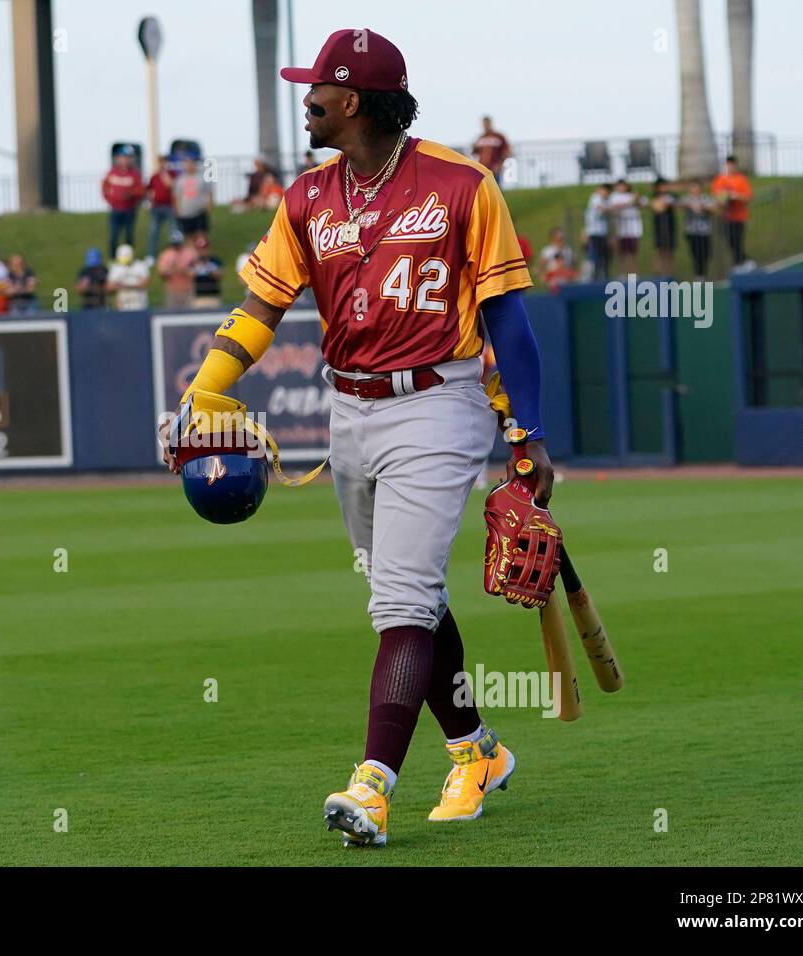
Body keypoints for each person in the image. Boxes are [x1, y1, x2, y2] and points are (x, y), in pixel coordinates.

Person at [161, 28, 550, 846]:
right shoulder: (306, 196)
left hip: (439, 401)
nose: (305, 100)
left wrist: (527, 434)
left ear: (356, 102)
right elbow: (260, 307)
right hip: (352, 410)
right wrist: (204, 390)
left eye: (317, 91)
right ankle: (478, 750)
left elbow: (509, 319)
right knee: (408, 591)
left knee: (399, 600)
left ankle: (371, 789)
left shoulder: (460, 184)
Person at [712, 154, 754, 272]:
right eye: (728, 165)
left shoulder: (741, 179)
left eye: (732, 165)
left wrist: (735, 195)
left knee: (737, 241)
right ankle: (744, 262)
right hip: (725, 217)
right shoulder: (720, 180)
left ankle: (740, 264)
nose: (730, 167)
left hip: (739, 216)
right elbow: (717, 197)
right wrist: (724, 197)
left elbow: (747, 197)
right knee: (731, 242)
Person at [102, 148, 144, 256]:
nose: (125, 160)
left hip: (129, 210)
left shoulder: (134, 174)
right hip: (115, 209)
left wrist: (131, 195)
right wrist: (109, 199)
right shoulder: (112, 173)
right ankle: (112, 256)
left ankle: (129, 257)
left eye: (127, 158)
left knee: (128, 235)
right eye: (122, 157)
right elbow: (105, 187)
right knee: (114, 235)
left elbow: (140, 190)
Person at [606, 179, 645, 276]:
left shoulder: (632, 195)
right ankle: (623, 274)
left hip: (633, 230)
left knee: (633, 254)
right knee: (622, 254)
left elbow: (643, 203)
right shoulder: (614, 196)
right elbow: (614, 207)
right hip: (622, 231)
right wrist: (631, 202)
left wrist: (636, 199)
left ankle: (634, 274)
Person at [173, 155, 214, 241]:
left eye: (190, 163)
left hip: (200, 212)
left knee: (202, 237)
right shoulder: (180, 179)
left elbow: (209, 191)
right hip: (185, 213)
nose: (188, 166)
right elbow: (176, 195)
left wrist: (209, 204)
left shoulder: (202, 177)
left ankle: (203, 253)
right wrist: (177, 209)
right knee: (189, 237)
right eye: (186, 163)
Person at [681, 180, 715, 280]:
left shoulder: (705, 198)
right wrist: (691, 206)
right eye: (692, 188)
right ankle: (699, 275)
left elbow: (714, 209)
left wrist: (703, 207)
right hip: (692, 231)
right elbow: (679, 204)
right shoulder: (687, 199)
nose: (694, 190)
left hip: (704, 231)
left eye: (696, 187)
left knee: (706, 253)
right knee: (695, 254)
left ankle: (703, 273)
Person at [145, 156, 175, 262]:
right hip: (156, 207)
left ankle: (175, 254)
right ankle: (151, 255)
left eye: (164, 162)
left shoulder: (172, 174)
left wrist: (165, 175)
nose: (162, 164)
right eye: (160, 162)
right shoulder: (154, 176)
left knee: (173, 231)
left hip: (169, 207)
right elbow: (149, 189)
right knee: (153, 231)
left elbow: (171, 186)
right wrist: (150, 201)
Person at [157, 231, 197, 309]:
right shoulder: (166, 255)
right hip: (172, 291)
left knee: (190, 315)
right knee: (172, 315)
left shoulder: (190, 253)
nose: (176, 247)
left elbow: (194, 273)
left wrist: (183, 270)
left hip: (188, 290)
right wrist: (173, 269)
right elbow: (162, 274)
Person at [106, 244, 150, 311]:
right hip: (122, 305)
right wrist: (134, 285)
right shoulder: (115, 268)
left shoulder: (141, 266)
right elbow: (109, 287)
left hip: (139, 304)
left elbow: (144, 283)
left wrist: (122, 285)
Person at [470, 116, 511, 188]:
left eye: (486, 123)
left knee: (495, 189)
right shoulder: (481, 138)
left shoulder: (499, 136)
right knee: (484, 189)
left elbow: (506, 151)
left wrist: (500, 164)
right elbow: (474, 152)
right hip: (482, 168)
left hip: (494, 168)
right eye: (484, 124)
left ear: (490, 123)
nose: (485, 126)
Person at [649, 178, 678, 275]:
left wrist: (663, 203)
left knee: (669, 251)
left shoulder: (672, 196)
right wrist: (663, 203)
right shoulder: (654, 196)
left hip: (669, 226)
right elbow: (657, 207)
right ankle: (658, 273)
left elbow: (670, 204)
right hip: (659, 227)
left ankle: (670, 273)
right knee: (660, 251)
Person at [584, 183, 611, 281]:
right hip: (594, 233)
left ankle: (603, 277)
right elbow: (602, 208)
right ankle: (595, 278)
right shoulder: (595, 198)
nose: (605, 192)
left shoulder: (606, 200)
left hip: (602, 233)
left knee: (604, 257)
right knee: (595, 257)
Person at [190, 235, 222, 307]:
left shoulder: (215, 261)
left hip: (213, 296)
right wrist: (198, 268)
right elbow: (189, 276)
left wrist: (208, 268)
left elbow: (219, 275)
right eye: (200, 249)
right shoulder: (194, 262)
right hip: (198, 297)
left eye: (204, 248)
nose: (202, 251)